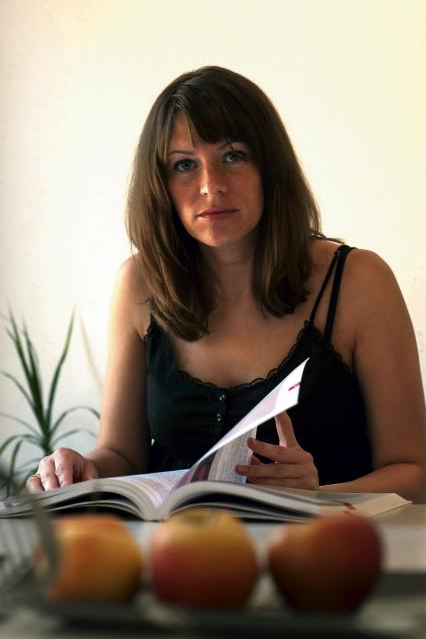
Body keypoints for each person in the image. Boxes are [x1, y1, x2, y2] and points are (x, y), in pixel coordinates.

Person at [27, 66, 426, 502]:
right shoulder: (138, 285)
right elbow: (121, 453)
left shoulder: (358, 281)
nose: (211, 186)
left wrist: (320, 495)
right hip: (176, 545)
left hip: (325, 543)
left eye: (233, 156)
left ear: (271, 167)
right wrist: (80, 469)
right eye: (184, 165)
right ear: (160, 186)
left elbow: (415, 474)